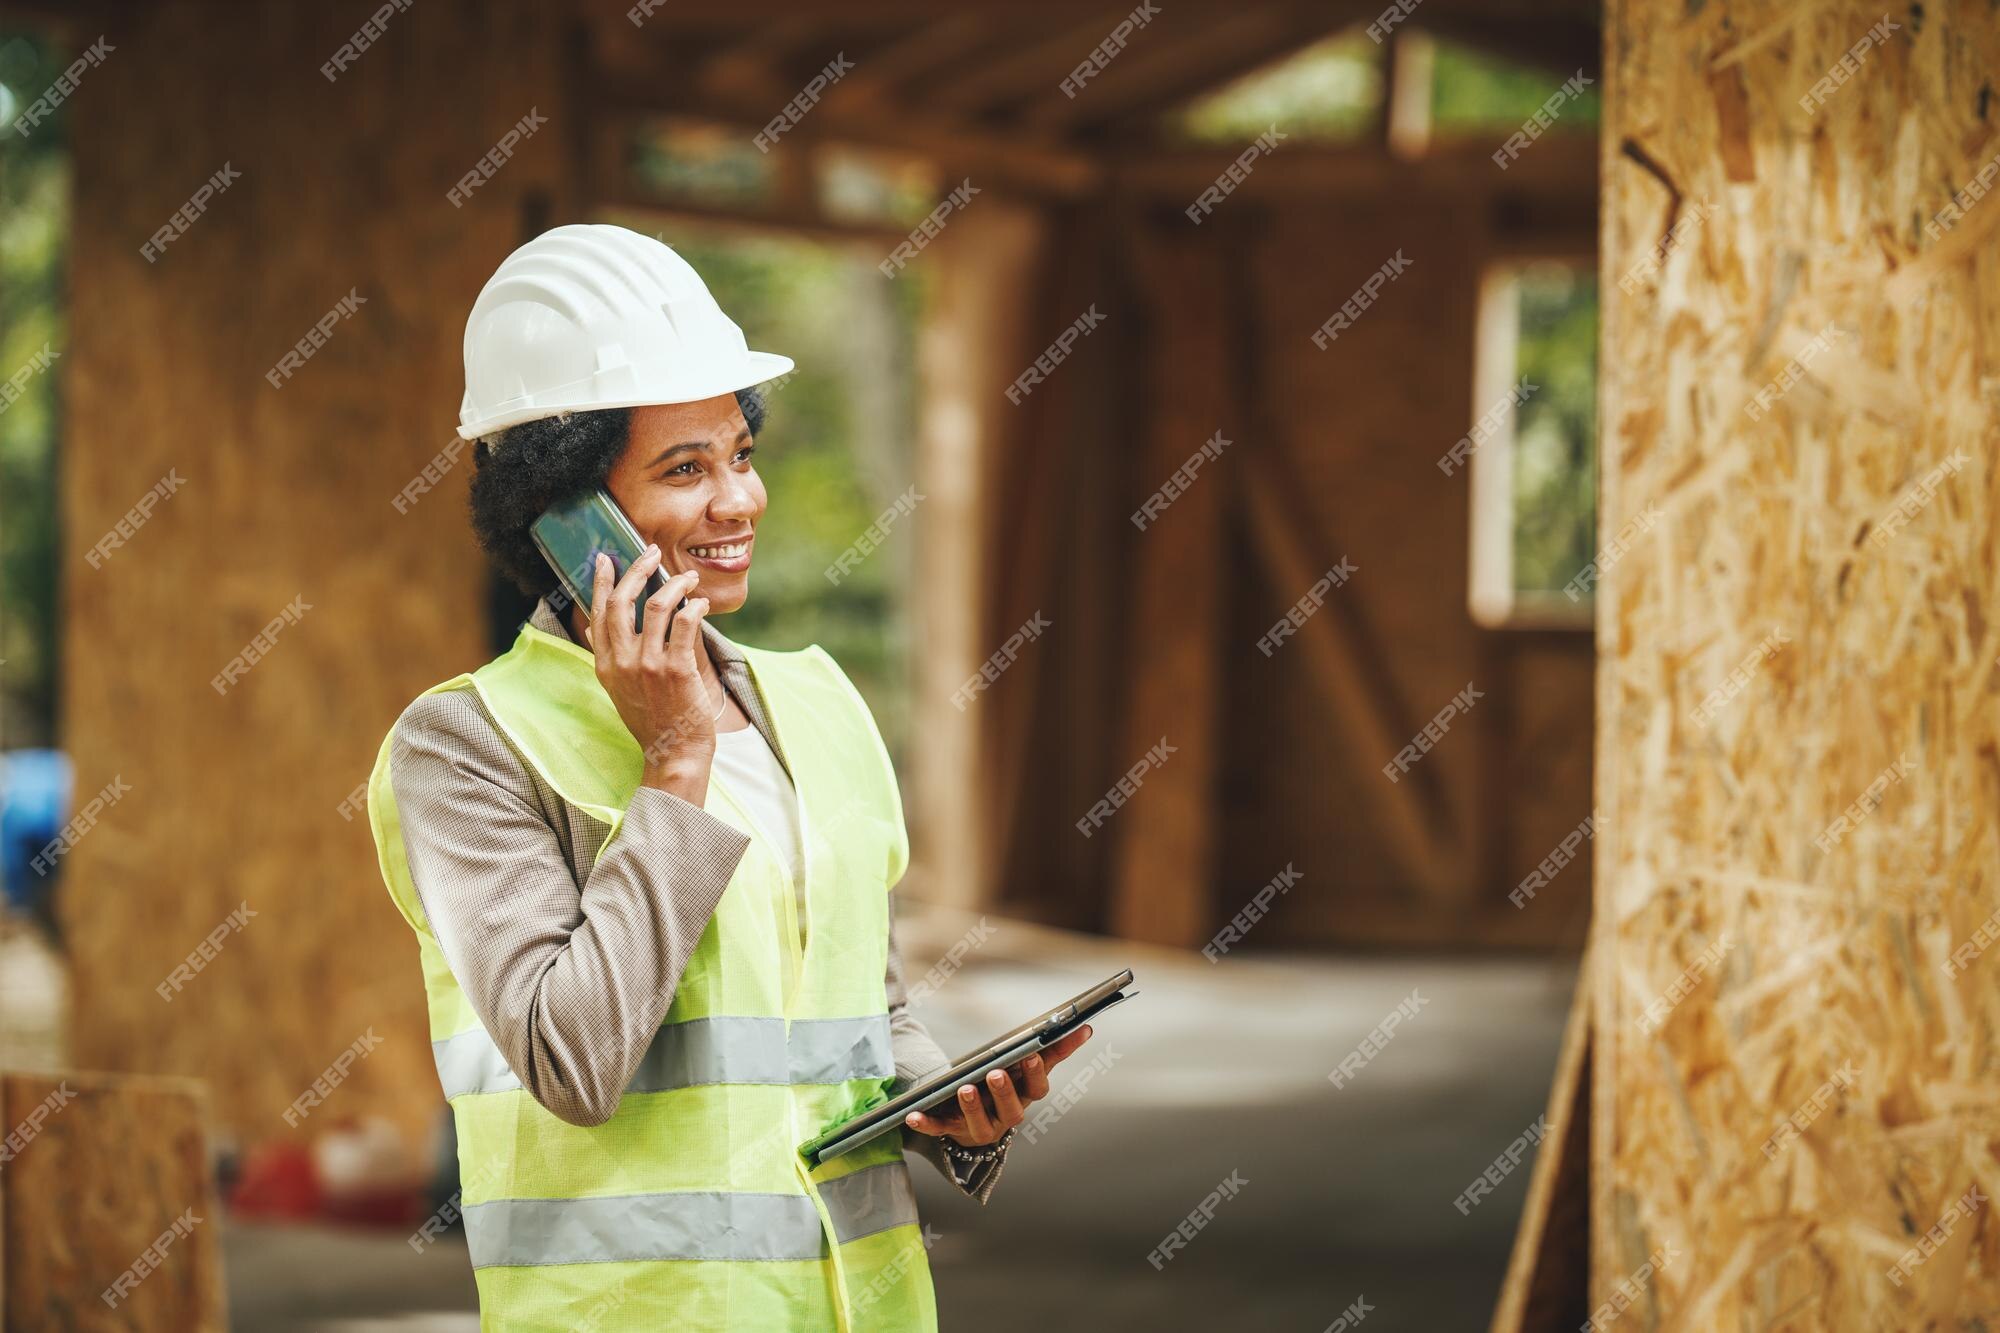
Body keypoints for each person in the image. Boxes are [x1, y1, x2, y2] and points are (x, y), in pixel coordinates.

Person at [364, 223, 1092, 1332]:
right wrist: (674, 756)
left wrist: (951, 1109)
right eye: (684, 470)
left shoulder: (814, 703)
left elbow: (861, 1011)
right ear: (564, 514)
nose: (739, 503)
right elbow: (572, 1058)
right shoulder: (465, 747)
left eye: (738, 455)